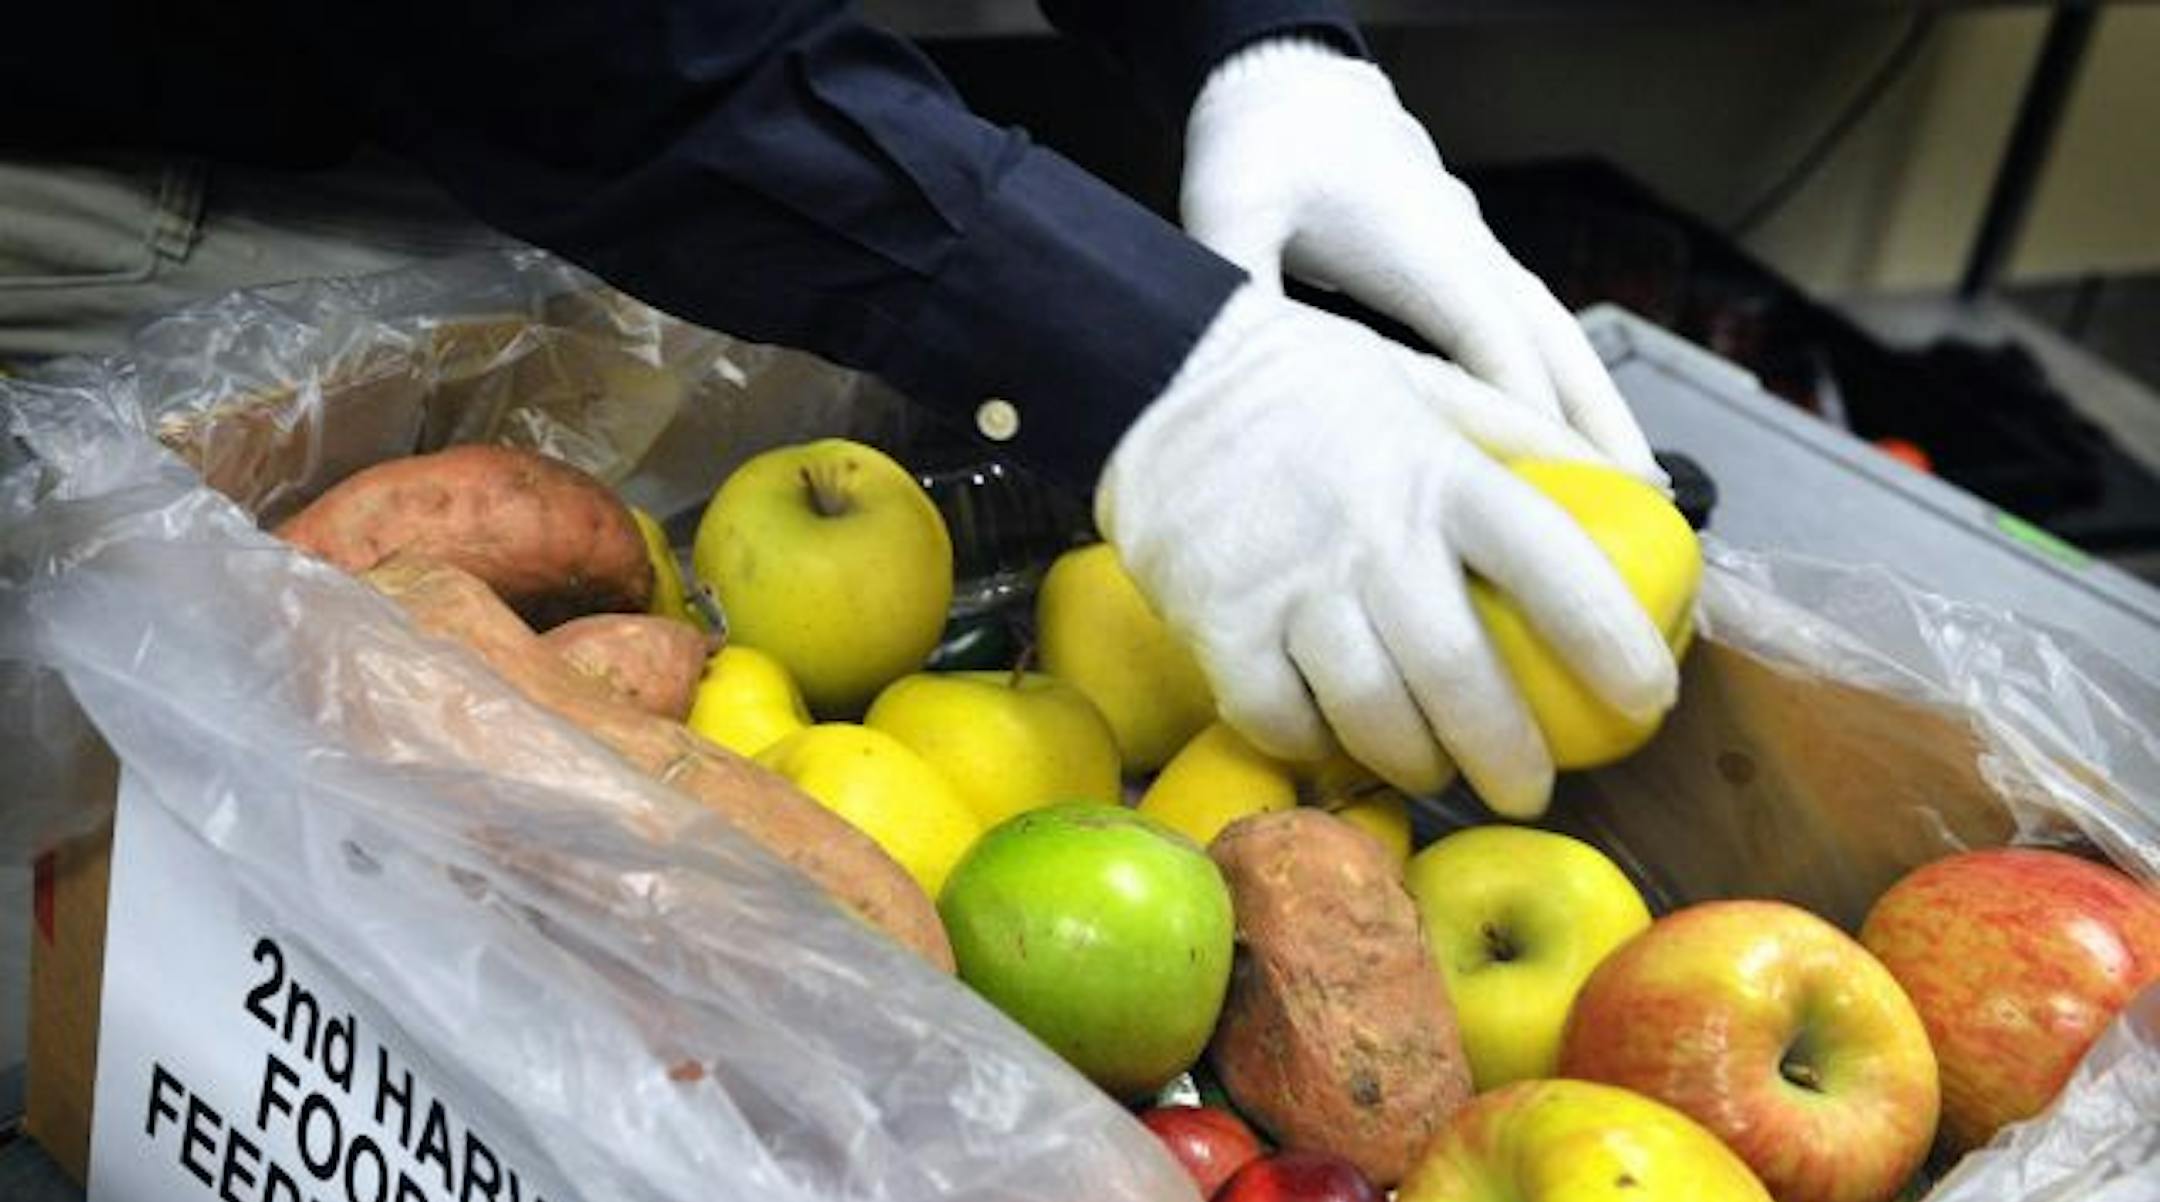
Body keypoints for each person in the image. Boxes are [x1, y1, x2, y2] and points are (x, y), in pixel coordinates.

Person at [3, 0, 1676, 817]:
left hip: (509, 104)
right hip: (138, 134)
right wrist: (1149, 361)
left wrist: (1259, 46)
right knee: (178, 770)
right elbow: (571, 43)